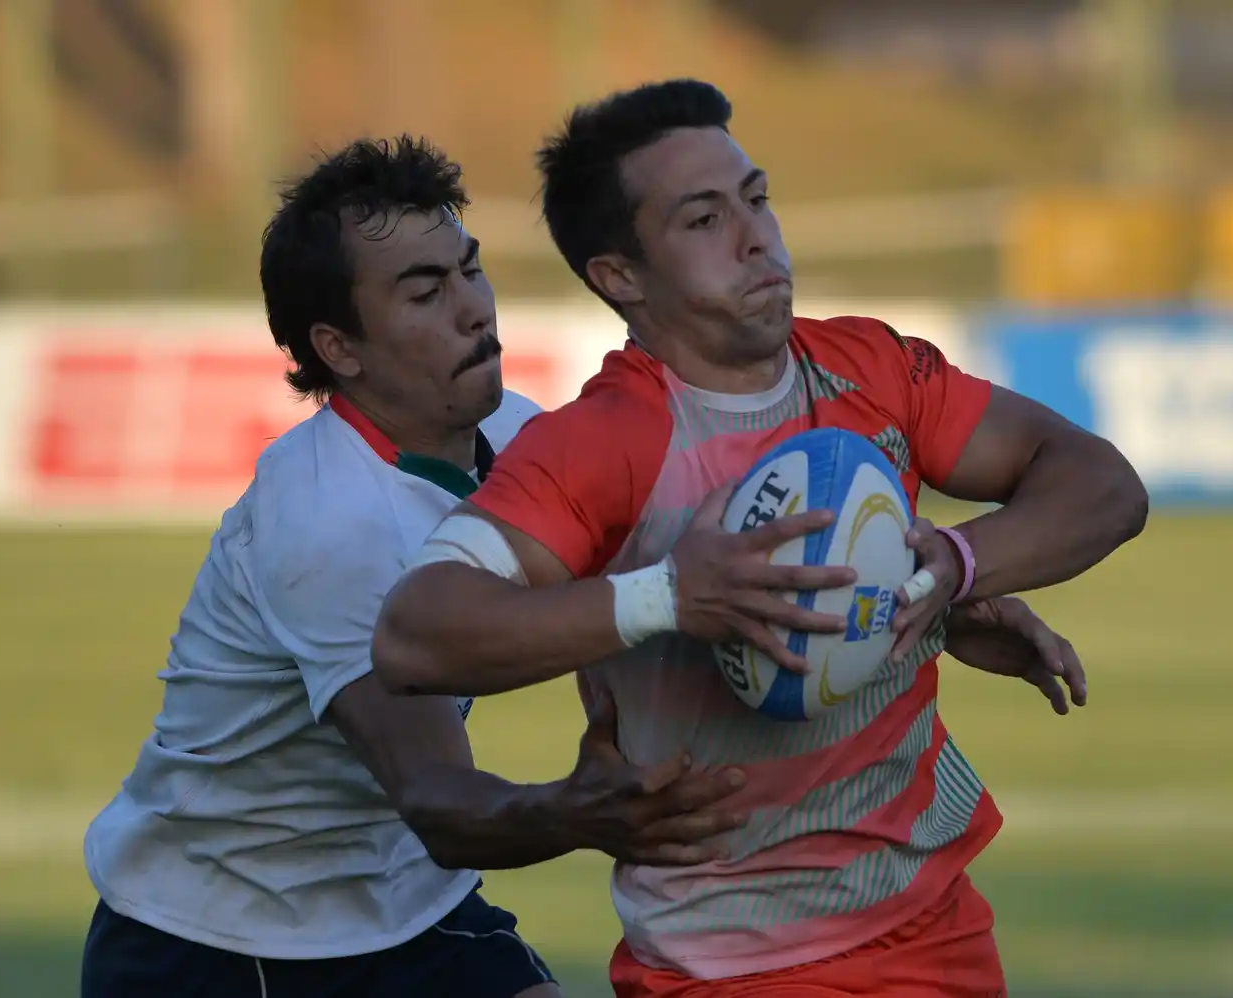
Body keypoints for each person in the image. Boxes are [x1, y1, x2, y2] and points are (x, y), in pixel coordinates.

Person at [373, 79, 1148, 997]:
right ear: (620, 277)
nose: (756, 239)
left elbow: (1102, 483)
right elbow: (415, 636)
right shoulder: (604, 443)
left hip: (935, 926)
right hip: (731, 965)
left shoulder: (871, 369)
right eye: (704, 220)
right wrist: (668, 596)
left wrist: (953, 567)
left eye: (758, 200)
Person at [78, 136, 756, 998]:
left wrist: (910, 590)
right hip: (223, 938)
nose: (475, 309)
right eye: (425, 291)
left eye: (469, 270)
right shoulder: (330, 523)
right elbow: (439, 799)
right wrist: (583, 810)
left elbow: (684, 557)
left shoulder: (517, 436)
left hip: (402, 900)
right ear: (341, 347)